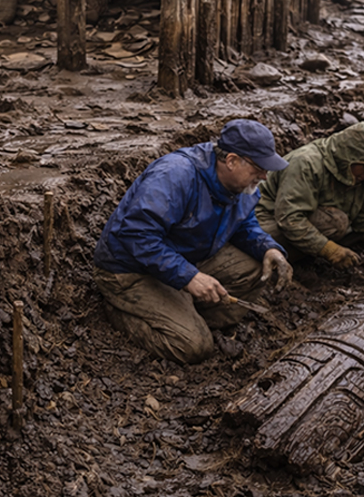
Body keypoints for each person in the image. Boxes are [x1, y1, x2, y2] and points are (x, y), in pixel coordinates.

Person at [92, 120, 294, 364]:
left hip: (181, 258)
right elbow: (136, 234)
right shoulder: (175, 176)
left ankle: (182, 312)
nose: (264, 176)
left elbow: (244, 223)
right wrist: (188, 277)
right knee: (193, 346)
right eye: (259, 168)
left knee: (255, 268)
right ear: (231, 161)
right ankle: (122, 308)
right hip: (130, 270)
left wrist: (268, 247)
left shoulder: (243, 185)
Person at [255, 122, 364, 271]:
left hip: (296, 221)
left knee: (355, 231)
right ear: (350, 156)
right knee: (338, 223)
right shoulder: (306, 163)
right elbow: (290, 219)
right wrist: (330, 250)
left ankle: (301, 252)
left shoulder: (354, 174)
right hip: (264, 220)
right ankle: (283, 256)